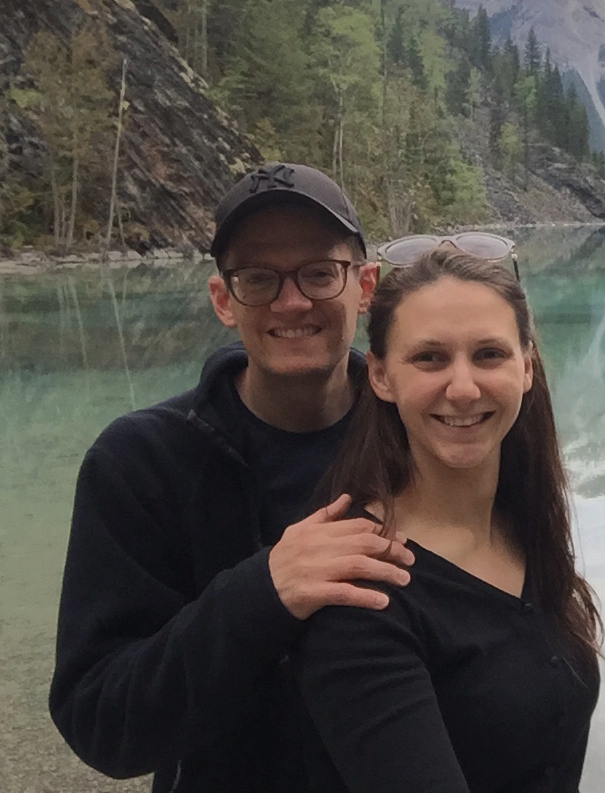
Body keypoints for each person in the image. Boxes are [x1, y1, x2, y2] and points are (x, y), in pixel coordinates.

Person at [49, 163, 416, 793]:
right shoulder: (141, 461)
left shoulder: (418, 437)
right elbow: (100, 722)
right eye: (258, 278)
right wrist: (264, 591)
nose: (292, 301)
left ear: (366, 287)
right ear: (224, 300)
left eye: (320, 272)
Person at [292, 242, 603, 793]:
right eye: (430, 358)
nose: (463, 388)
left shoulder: (524, 527)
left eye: (489, 354)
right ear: (380, 377)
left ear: (526, 368)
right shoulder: (362, 592)